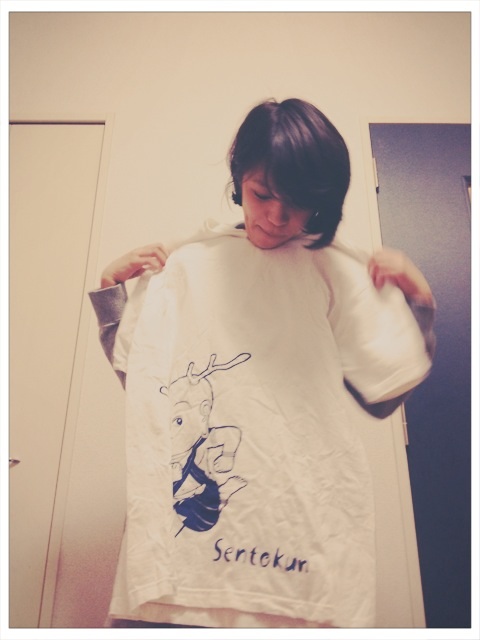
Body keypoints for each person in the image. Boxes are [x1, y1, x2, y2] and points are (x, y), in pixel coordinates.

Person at [89, 98, 435, 629]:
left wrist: (418, 303)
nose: (276, 217)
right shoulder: (187, 263)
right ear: (238, 180)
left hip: (296, 550)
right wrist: (111, 293)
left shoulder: (332, 269)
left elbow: (386, 391)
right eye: (262, 194)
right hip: (182, 573)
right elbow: (147, 384)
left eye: (298, 203)